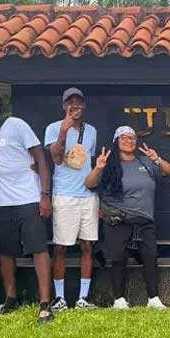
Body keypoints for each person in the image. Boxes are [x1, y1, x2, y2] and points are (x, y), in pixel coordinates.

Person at [0, 90, 54, 323]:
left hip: (28, 197)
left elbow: (41, 159)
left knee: (38, 248)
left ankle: (45, 302)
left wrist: (45, 195)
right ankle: (10, 297)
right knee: (6, 251)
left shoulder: (17, 124)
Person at [84, 126, 170, 309]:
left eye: (132, 138)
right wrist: (98, 168)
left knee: (150, 256)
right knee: (118, 258)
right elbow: (89, 183)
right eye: (124, 138)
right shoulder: (109, 165)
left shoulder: (146, 163)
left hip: (144, 220)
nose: (129, 141)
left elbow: (169, 170)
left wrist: (156, 159)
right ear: (116, 141)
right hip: (119, 220)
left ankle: (153, 299)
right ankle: (119, 299)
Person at [44, 87, 99, 312]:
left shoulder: (92, 131)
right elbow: (56, 159)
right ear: (64, 106)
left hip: (87, 196)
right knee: (61, 248)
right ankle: (60, 298)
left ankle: (83, 298)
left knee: (88, 245)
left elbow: (91, 163)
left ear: (84, 106)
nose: (74, 106)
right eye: (70, 102)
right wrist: (64, 131)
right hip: (65, 195)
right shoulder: (53, 128)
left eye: (78, 102)